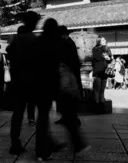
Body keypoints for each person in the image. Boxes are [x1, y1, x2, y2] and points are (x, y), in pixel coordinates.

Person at [41, 22, 90, 157]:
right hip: (64, 82)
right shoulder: (66, 43)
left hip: (59, 83)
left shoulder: (59, 44)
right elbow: (75, 65)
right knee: (65, 113)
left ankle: (72, 143)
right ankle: (76, 142)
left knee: (54, 114)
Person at [33, 18, 68, 160]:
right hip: (50, 84)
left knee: (42, 118)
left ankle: (43, 149)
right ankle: (44, 150)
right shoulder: (56, 44)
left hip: (38, 84)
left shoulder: (38, 42)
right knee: (43, 118)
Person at [7, 11, 40, 155]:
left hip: (18, 80)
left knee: (18, 114)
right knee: (42, 112)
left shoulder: (16, 40)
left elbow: (10, 53)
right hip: (31, 80)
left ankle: (15, 142)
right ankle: (47, 143)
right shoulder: (31, 39)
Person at [55, 26, 81, 128]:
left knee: (67, 96)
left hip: (67, 72)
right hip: (70, 72)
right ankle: (68, 117)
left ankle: (73, 118)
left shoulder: (65, 43)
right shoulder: (70, 42)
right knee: (67, 96)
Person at [91, 37, 112, 104]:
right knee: (97, 89)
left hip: (105, 71)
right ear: (99, 41)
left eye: (105, 39)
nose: (105, 40)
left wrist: (109, 58)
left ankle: (102, 103)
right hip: (97, 71)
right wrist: (103, 55)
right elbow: (97, 58)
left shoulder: (107, 49)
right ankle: (97, 104)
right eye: (103, 40)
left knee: (102, 89)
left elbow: (110, 59)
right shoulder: (95, 49)